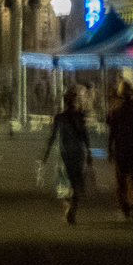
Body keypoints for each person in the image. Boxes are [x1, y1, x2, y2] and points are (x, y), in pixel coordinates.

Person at [42, 86, 92, 225]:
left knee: (63, 186)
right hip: (78, 154)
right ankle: (72, 211)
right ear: (74, 102)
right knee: (76, 185)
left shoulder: (59, 118)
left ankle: (68, 208)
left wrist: (45, 155)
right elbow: (85, 136)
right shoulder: (80, 117)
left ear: (65, 102)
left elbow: (52, 138)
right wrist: (89, 154)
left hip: (65, 156)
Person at [106, 81, 133, 220]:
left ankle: (126, 208)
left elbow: (112, 132)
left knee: (122, 181)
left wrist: (110, 150)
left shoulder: (118, 111)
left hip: (121, 150)